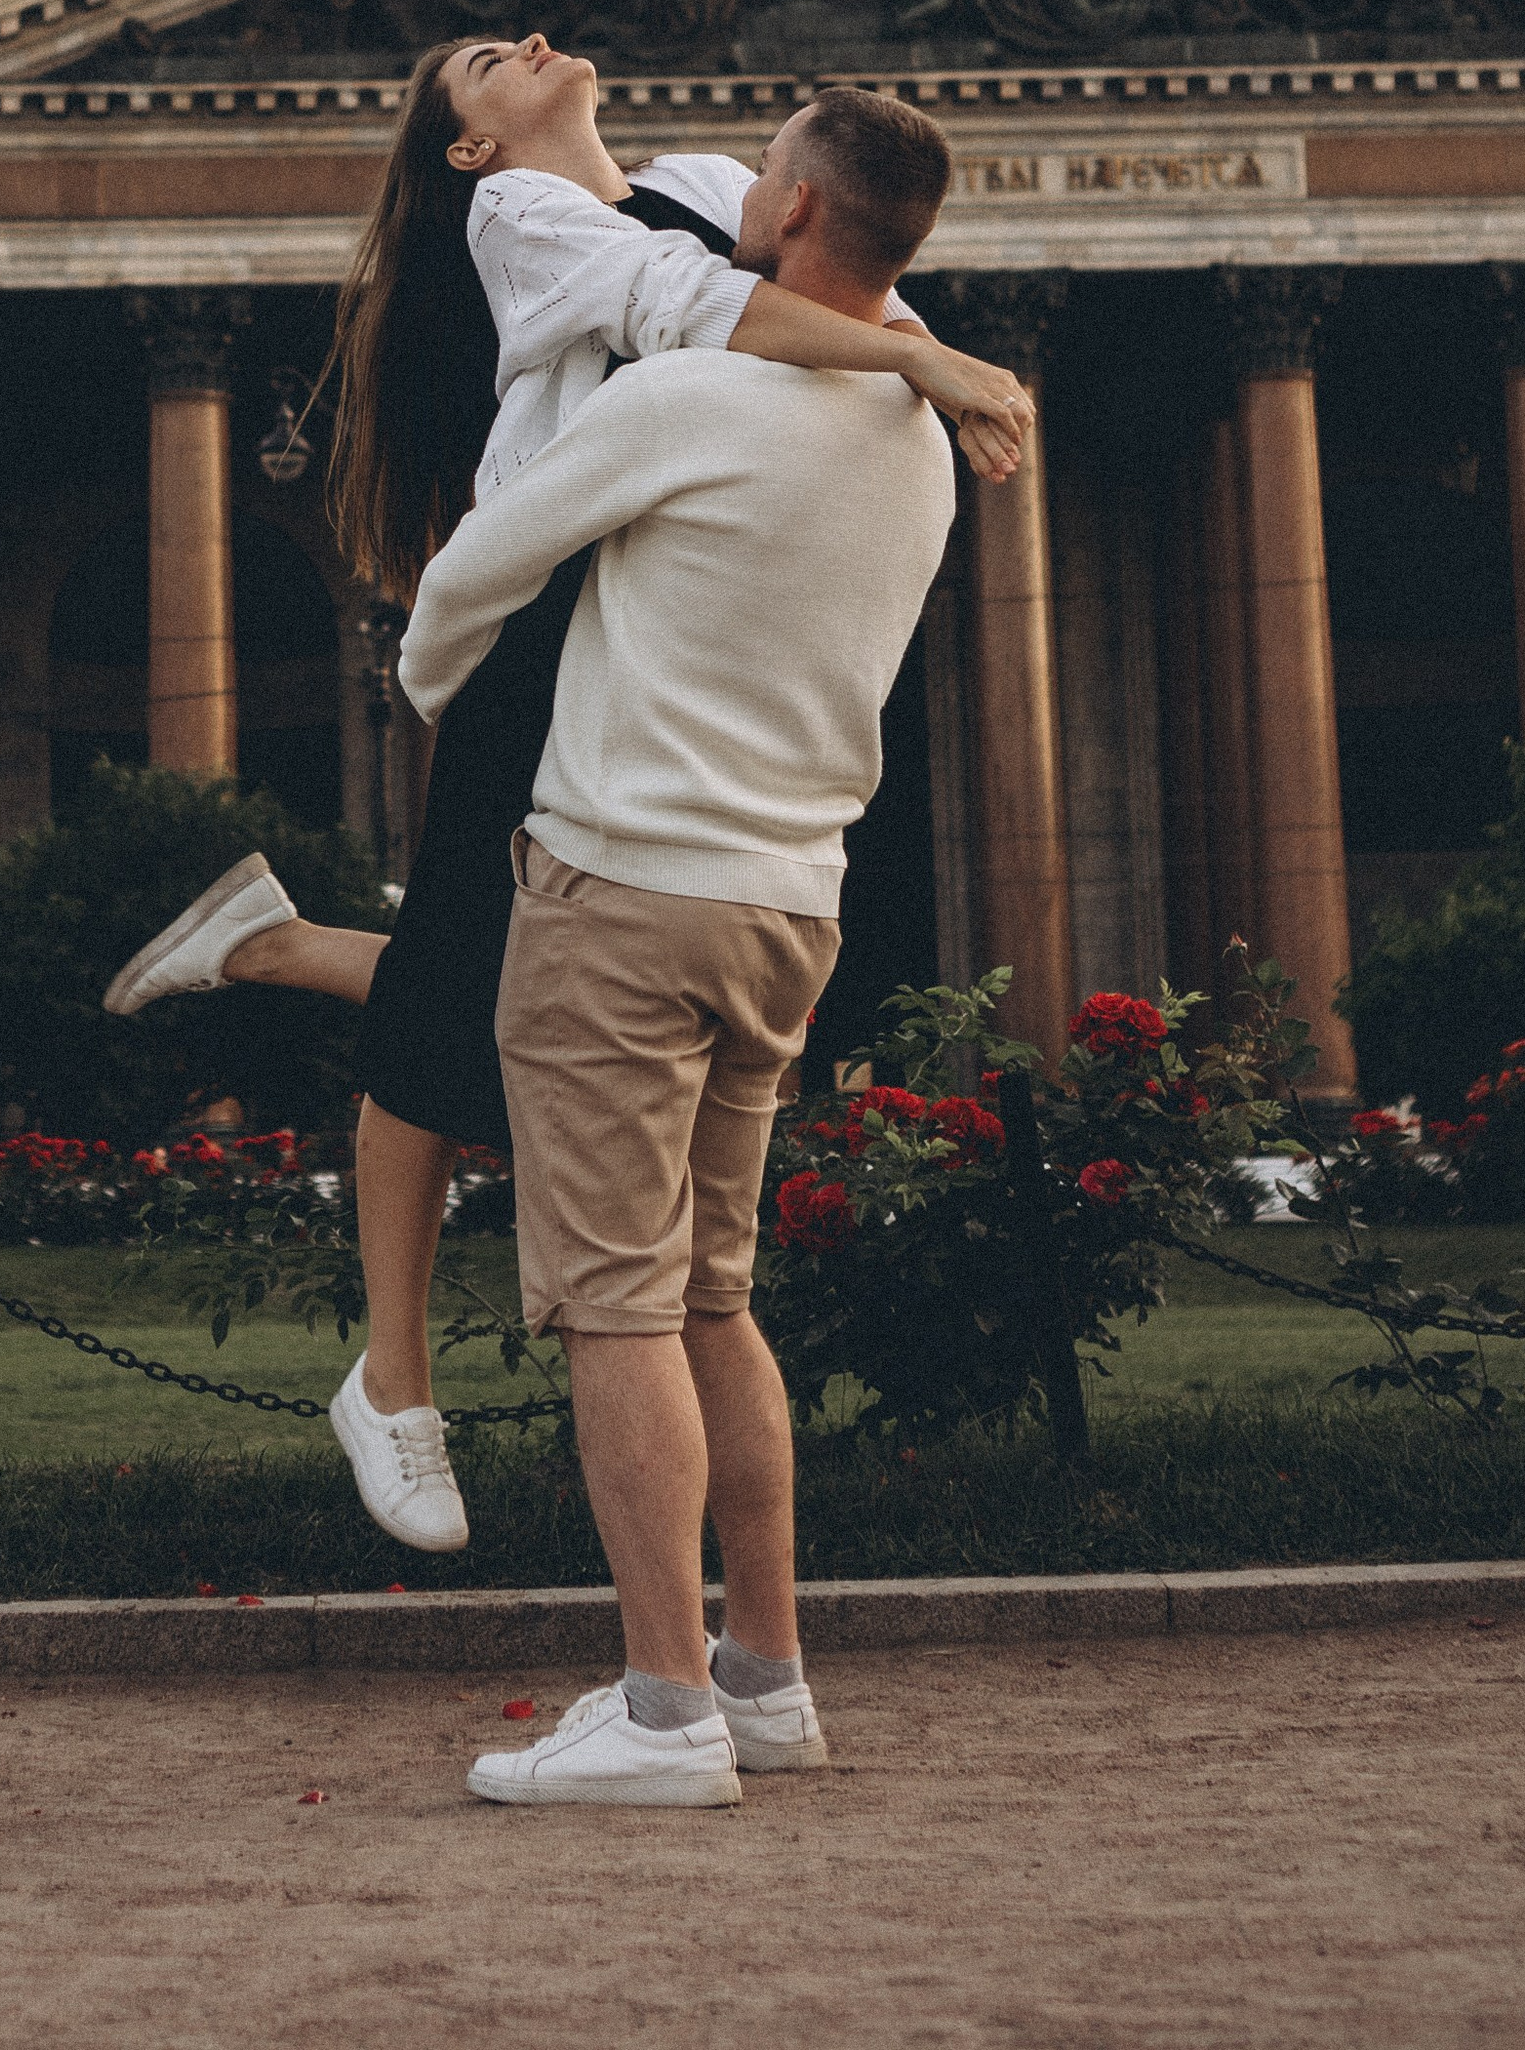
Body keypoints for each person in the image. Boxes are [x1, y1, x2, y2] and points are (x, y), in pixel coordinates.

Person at [101, 39, 1026, 1555]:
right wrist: (928, 364)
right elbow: (717, 313)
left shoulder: (708, 183)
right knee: (466, 999)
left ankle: (270, 948)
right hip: (541, 634)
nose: (525, 45)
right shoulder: (514, 221)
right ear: (470, 147)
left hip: (659, 606)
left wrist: (914, 351)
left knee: (514, 990)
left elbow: (847, 289)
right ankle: (390, 1382)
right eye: (483, 68)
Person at [408, 88, 961, 1806]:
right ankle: (767, 1676)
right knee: (717, 1291)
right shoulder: (917, 436)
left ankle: (663, 1714)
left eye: (764, 162)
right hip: (794, 901)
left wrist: (443, 708)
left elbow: (468, 577)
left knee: (617, 1310)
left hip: (623, 899)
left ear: (791, 209)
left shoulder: (689, 403)